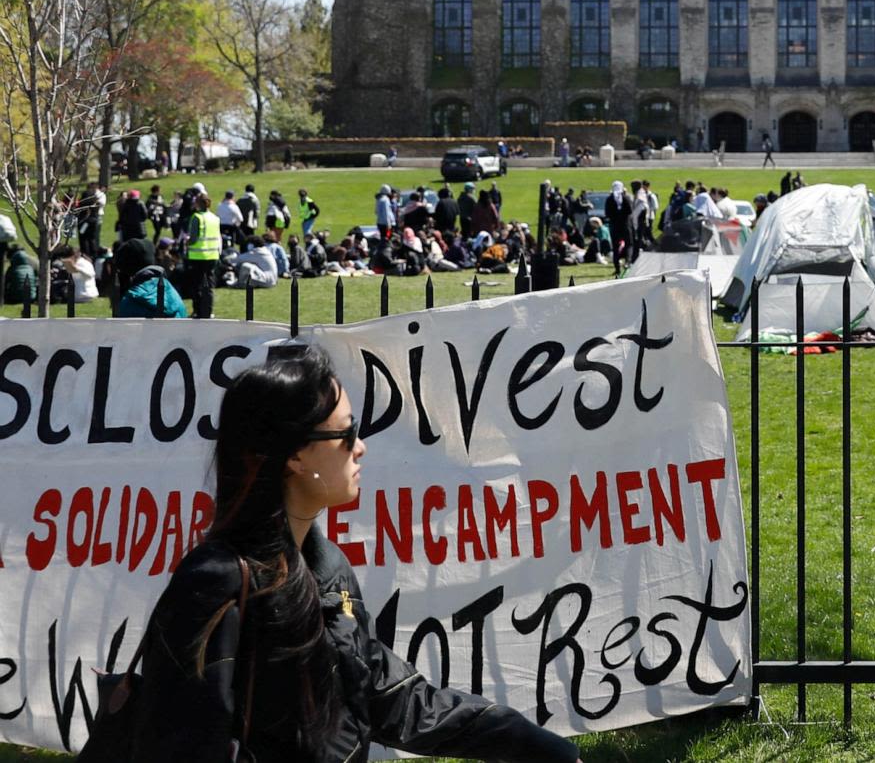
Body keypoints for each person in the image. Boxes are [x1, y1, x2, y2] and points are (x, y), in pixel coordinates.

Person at [125, 348, 581, 763]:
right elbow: (180, 744)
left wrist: (534, 744)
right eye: (347, 434)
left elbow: (393, 700)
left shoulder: (326, 568)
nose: (360, 447)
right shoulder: (214, 586)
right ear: (295, 457)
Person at [186, 191, 222, 318]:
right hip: (212, 255)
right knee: (209, 285)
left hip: (198, 256)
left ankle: (198, 310)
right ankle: (209, 310)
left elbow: (194, 239)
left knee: (197, 285)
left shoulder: (197, 217)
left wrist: (187, 241)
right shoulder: (215, 218)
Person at [605, 180, 634, 272]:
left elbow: (607, 213)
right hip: (625, 225)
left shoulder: (610, 199)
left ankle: (617, 267)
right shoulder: (625, 198)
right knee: (629, 244)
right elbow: (630, 210)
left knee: (615, 247)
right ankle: (627, 261)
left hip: (614, 226)